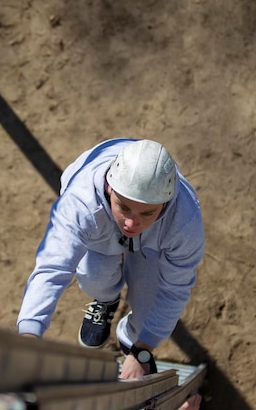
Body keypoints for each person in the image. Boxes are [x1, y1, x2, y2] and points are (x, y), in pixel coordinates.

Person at [17, 138, 205, 383]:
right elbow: (52, 267)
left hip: (153, 245)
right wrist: (29, 334)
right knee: (94, 273)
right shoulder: (80, 204)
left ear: (166, 203)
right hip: (101, 233)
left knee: (148, 307)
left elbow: (175, 288)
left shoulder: (184, 222)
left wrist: (142, 349)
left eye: (147, 212)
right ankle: (106, 299)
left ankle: (129, 339)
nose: (131, 224)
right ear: (109, 188)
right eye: (124, 207)